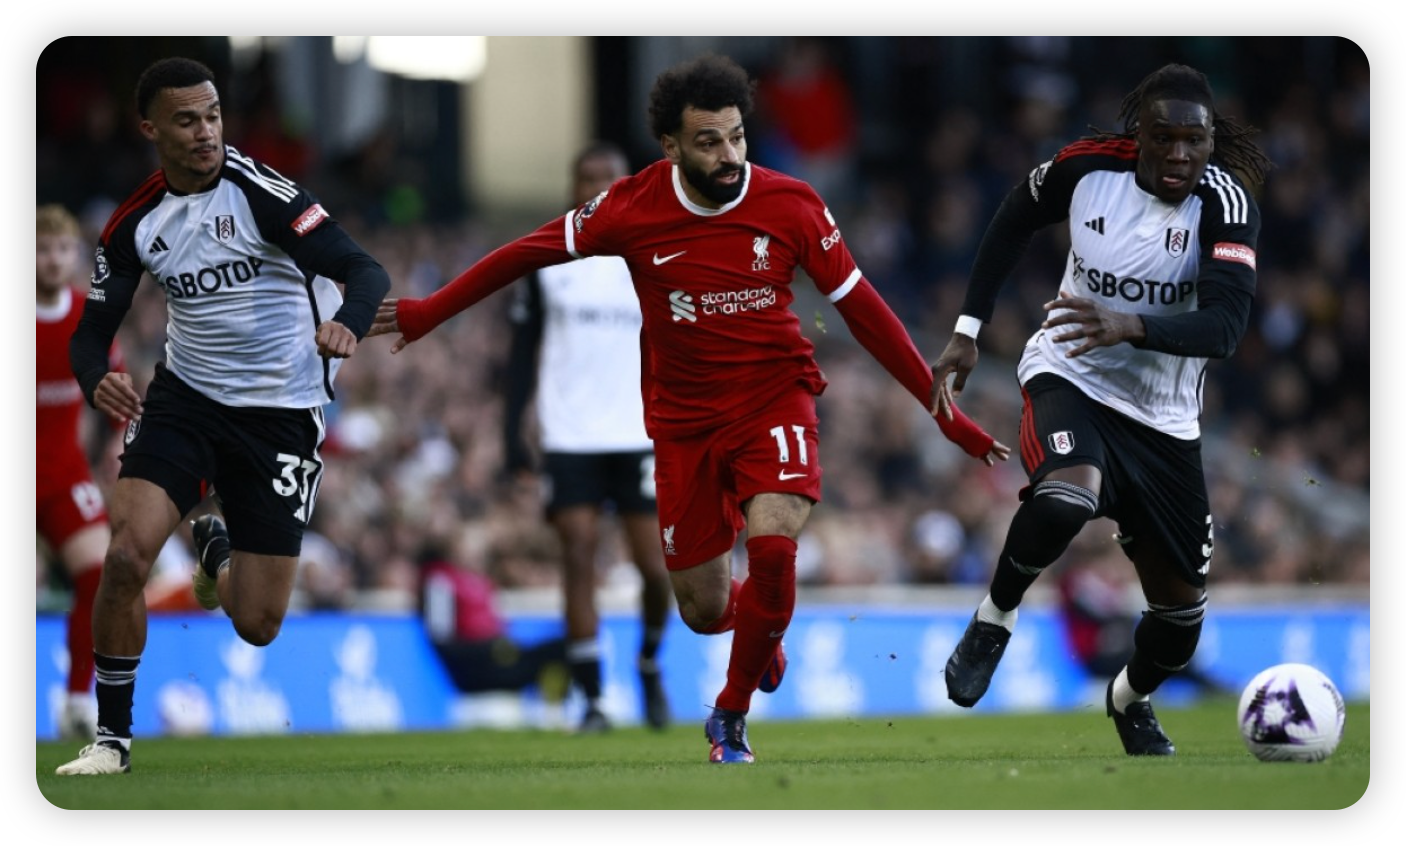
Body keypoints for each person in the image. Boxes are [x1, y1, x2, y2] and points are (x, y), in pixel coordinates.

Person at [370, 54, 1009, 763]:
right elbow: (524, 252)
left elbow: (864, 313)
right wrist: (430, 310)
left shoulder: (792, 204)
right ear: (670, 146)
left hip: (775, 397)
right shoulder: (630, 207)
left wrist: (940, 409)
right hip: (682, 424)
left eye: (737, 136)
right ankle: (758, 632)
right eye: (709, 141)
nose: (729, 154)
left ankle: (729, 717)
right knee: (705, 613)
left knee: (773, 548)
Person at [56, 57, 391, 775]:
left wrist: (350, 326)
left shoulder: (265, 193)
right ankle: (112, 740)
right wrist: (95, 379)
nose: (206, 131)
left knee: (258, 625)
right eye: (186, 120)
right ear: (150, 129)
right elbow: (90, 332)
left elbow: (365, 271)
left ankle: (217, 553)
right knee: (123, 557)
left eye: (212, 116)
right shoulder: (135, 221)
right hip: (186, 401)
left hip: (281, 413)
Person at [930, 63, 1272, 756]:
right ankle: (994, 618)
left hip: (1164, 422)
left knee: (1178, 624)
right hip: (1071, 375)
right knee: (1064, 499)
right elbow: (1012, 218)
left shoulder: (1226, 207)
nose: (1179, 154)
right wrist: (968, 330)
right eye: (1163, 138)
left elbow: (1227, 327)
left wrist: (1131, 325)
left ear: (1211, 142)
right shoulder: (1085, 168)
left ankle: (1128, 700)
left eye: (1194, 141)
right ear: (1136, 135)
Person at [501, 142, 673, 733]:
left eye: (608, 178)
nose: (597, 188)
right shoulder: (548, 261)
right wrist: (508, 436)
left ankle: (649, 662)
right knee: (577, 556)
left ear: (628, 184)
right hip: (569, 434)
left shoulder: (655, 256)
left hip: (643, 434)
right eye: (587, 178)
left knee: (656, 569)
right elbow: (521, 356)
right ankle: (593, 699)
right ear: (572, 186)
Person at [36, 203, 123, 742]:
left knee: (101, 573)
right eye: (42, 249)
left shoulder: (88, 317)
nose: (52, 259)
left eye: (61, 248)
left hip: (65, 473)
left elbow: (114, 390)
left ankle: (75, 701)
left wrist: (118, 436)